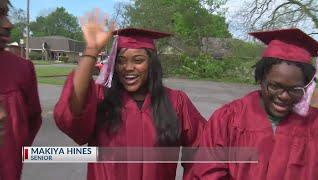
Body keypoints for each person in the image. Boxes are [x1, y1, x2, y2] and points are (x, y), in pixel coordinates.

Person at [54, 9, 206, 180]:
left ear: (152, 64)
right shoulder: (101, 98)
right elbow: (72, 111)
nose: (128, 68)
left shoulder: (176, 102)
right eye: (121, 61)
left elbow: (203, 150)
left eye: (138, 60)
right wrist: (91, 51)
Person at [191, 28, 318, 180]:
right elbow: (207, 172)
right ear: (261, 79)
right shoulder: (227, 119)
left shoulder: (315, 126)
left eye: (295, 89)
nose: (284, 96)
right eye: (275, 86)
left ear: (306, 87)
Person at [0, 0, 42, 179]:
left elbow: (33, 119)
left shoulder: (22, 69)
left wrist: (14, 156)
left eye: (5, 13)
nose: (8, 24)